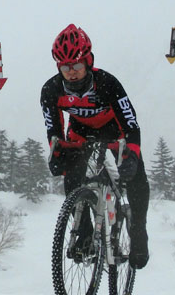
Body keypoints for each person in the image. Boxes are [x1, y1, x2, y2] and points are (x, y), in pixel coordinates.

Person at [40, 23, 150, 269]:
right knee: (72, 175)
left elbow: (131, 126)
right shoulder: (51, 90)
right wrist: (57, 152)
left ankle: (139, 230)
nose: (71, 72)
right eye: (65, 67)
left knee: (135, 175)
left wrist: (131, 155)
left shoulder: (108, 83)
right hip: (80, 131)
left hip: (115, 129)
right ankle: (86, 232)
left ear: (88, 61)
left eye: (77, 65)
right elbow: (54, 129)